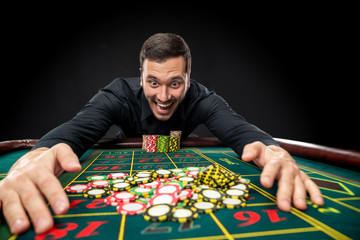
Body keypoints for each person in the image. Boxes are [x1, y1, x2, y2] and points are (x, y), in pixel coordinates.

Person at [0, 33, 324, 235]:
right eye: (153, 82)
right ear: (140, 77)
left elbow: (241, 131)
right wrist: (39, 156)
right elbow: (75, 130)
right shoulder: (118, 95)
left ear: (188, 78)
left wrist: (273, 151)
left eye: (175, 83)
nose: (164, 96)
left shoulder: (201, 99)